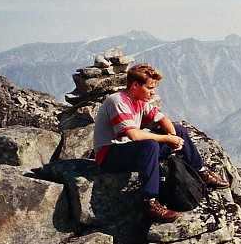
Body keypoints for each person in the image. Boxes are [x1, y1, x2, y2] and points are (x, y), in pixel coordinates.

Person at [92, 63, 229, 223]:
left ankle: (201, 171)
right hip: (109, 155)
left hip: (128, 150)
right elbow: (134, 135)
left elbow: (163, 120)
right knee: (150, 145)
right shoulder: (118, 101)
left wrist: (173, 136)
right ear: (135, 85)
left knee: (179, 129)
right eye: (150, 88)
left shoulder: (139, 102)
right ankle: (149, 203)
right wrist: (167, 139)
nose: (153, 92)